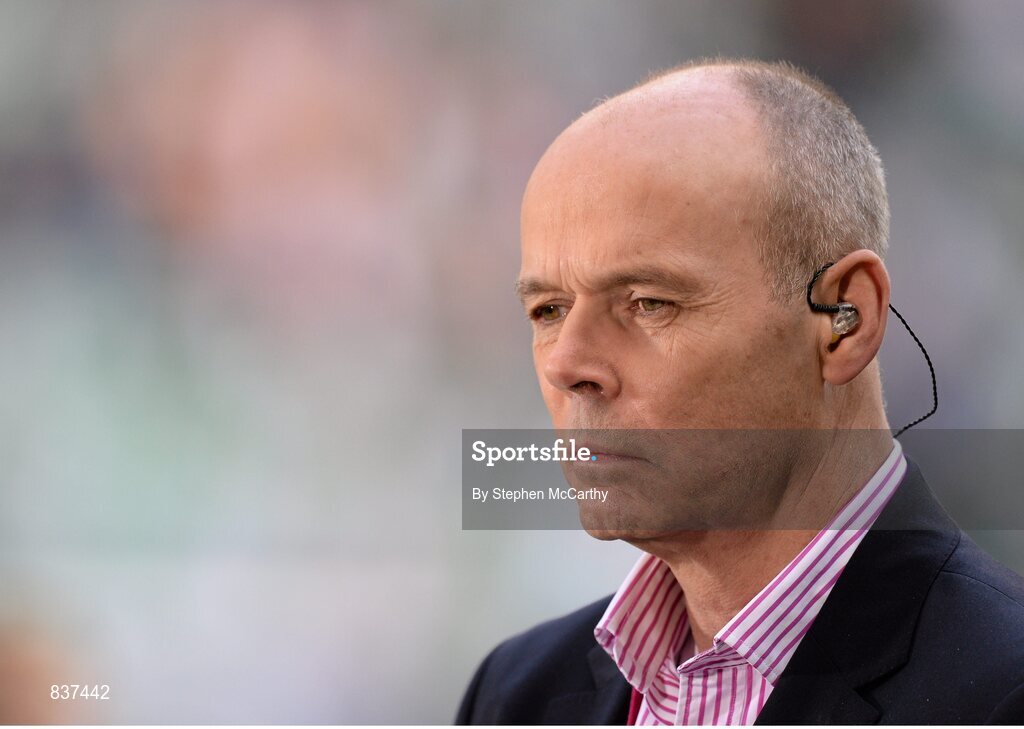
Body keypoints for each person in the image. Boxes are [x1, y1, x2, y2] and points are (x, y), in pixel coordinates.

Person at [455, 59, 1024, 725]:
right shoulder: (516, 693)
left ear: (845, 321)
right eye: (548, 311)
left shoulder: (1000, 691)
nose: (569, 364)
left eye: (647, 302)